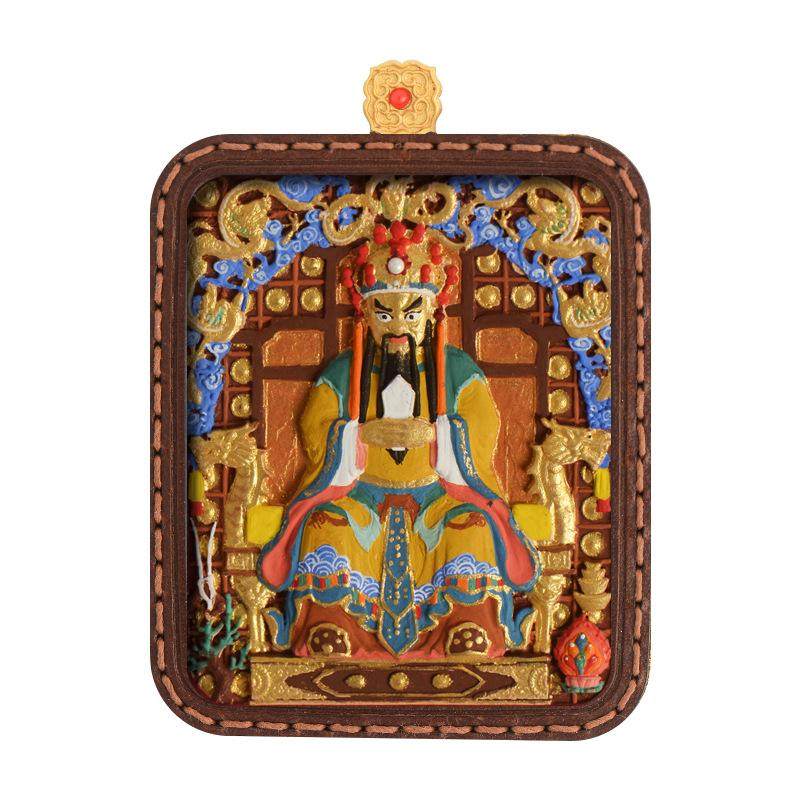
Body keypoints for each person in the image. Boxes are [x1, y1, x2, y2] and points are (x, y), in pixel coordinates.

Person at [258, 221, 541, 659]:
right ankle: (333, 627)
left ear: (430, 314)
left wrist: (439, 435)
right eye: (384, 314)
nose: (397, 328)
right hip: (358, 495)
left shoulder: (457, 370)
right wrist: (355, 435)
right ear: (366, 316)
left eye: (410, 315)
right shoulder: (343, 372)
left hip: (439, 496)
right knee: (325, 524)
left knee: (472, 526)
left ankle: (466, 625)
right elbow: (314, 426)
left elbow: (482, 428)